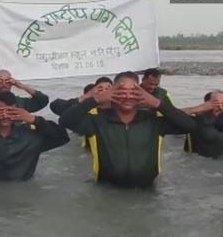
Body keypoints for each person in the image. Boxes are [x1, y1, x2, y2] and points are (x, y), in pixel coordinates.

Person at [59, 71, 196, 187]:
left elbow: (189, 125)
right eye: (122, 91)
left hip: (147, 191)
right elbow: (65, 121)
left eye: (134, 92)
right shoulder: (96, 120)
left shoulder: (154, 120)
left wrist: (156, 102)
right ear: (112, 92)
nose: (128, 96)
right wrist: (95, 99)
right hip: (107, 191)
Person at [181, 90, 223, 158]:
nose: (221, 108)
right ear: (207, 105)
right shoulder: (196, 119)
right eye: (216, 104)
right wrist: (197, 108)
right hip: (196, 161)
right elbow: (171, 116)